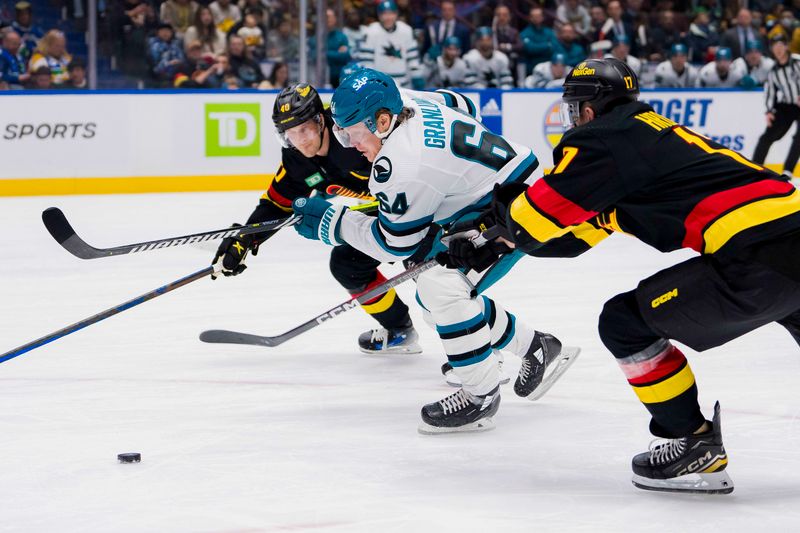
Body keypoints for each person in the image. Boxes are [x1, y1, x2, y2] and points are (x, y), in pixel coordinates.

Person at [440, 57, 800, 493]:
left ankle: (693, 444)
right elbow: (567, 237)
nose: (573, 120)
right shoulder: (641, 140)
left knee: (624, 323)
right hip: (786, 237)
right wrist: (497, 242)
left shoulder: (602, 141)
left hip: (756, 260)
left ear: (589, 110)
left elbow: (530, 221)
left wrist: (487, 228)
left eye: (574, 109)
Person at [291, 68, 577, 433]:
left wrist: (333, 224)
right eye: (343, 133)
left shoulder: (403, 164)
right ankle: (536, 347)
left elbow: (395, 242)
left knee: (439, 285)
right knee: (437, 301)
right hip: (500, 191)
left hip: (515, 210)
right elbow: (463, 104)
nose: (351, 144)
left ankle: (481, 393)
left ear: (381, 121)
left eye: (355, 134)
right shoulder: (409, 100)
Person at [212, 83, 422, 355]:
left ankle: (474, 341)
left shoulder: (353, 134)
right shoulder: (297, 159)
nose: (300, 141)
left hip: (419, 202)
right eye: (290, 134)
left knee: (429, 269)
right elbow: (277, 204)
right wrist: (245, 239)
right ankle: (400, 330)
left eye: (304, 130)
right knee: (347, 265)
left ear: (321, 120)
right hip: (383, 208)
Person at [752, 34, 800, 179]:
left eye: (780, 45)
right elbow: (770, 92)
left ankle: (787, 171)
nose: (778, 49)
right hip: (787, 106)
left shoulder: (798, 61)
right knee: (767, 136)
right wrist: (769, 111)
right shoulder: (773, 71)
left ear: (786, 46)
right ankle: (754, 168)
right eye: (775, 46)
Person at [359, 0, 424, 90]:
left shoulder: (406, 30)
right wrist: (371, 82)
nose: (388, 17)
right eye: (384, 14)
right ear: (379, 15)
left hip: (404, 85)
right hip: (380, 85)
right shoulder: (370, 32)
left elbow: (412, 58)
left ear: (396, 14)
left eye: (391, 13)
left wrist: (417, 75)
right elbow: (366, 62)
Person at [520, 7, 559, 75]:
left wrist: (537, 47)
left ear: (542, 17)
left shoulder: (549, 32)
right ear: (530, 18)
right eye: (534, 16)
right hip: (532, 68)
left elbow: (555, 47)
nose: (536, 18)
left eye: (538, 16)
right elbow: (530, 49)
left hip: (549, 67)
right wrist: (547, 45)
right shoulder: (524, 33)